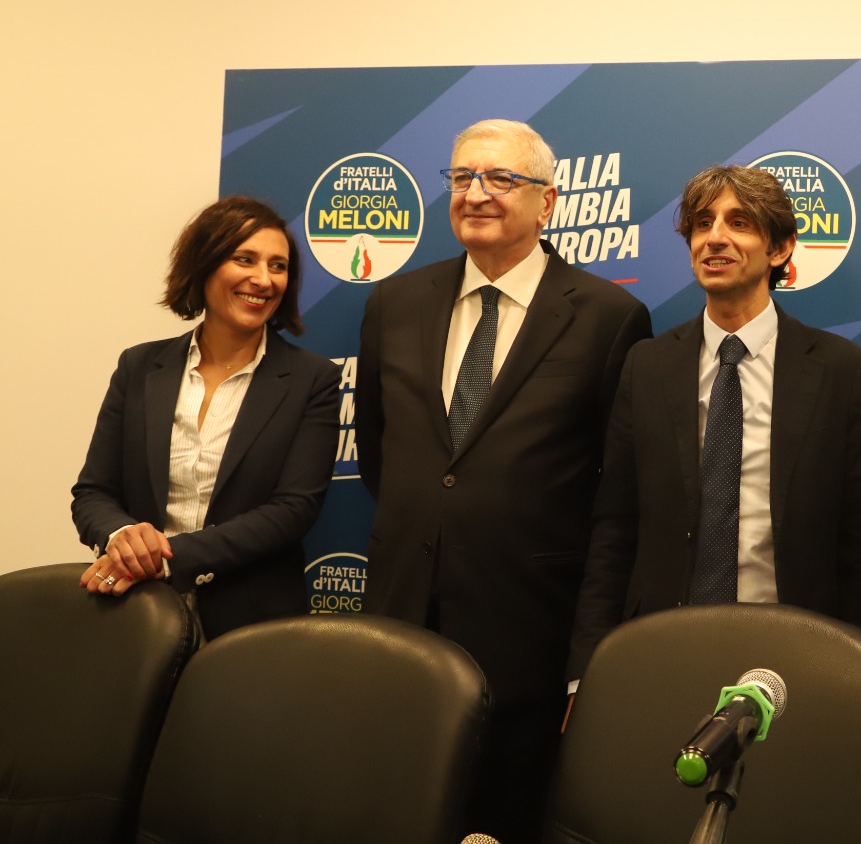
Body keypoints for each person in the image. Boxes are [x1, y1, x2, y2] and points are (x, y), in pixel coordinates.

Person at [355, 118, 651, 843]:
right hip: (401, 625)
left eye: (500, 179)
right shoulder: (394, 304)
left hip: (528, 642)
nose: (476, 194)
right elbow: (380, 453)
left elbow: (615, 495)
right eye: (463, 178)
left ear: (547, 202)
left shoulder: (609, 318)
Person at [566, 165, 861, 685]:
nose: (714, 237)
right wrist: (585, 673)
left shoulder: (840, 371)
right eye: (702, 223)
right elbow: (615, 528)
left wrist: (854, 674)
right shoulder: (647, 365)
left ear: (780, 248)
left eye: (739, 223)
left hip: (796, 653)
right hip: (661, 649)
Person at [71, 196, 338, 639]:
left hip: (252, 625)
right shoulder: (139, 367)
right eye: (244, 259)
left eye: (278, 266)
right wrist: (122, 537)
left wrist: (162, 559)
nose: (263, 279)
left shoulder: (313, 380)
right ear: (204, 264)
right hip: (135, 613)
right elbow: (93, 493)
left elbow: (293, 510)